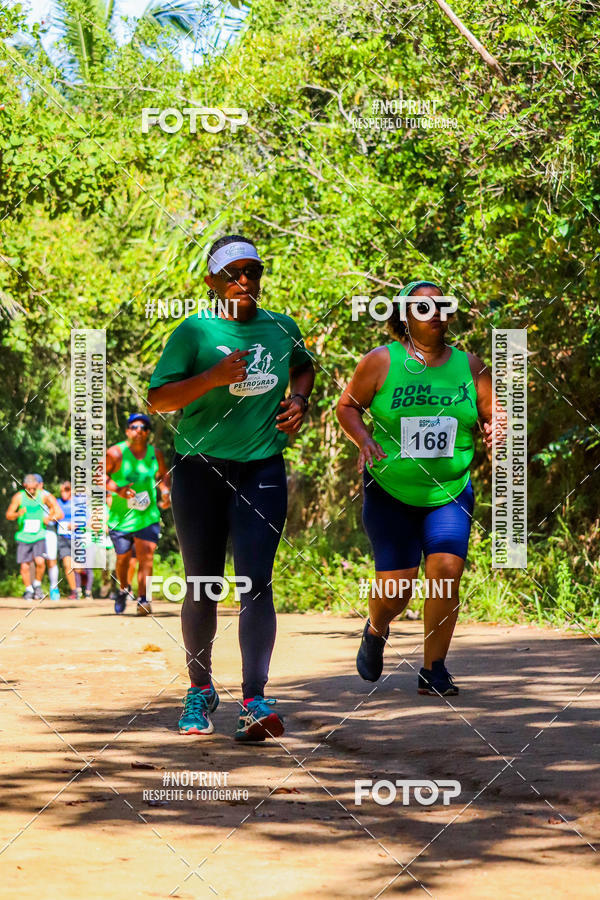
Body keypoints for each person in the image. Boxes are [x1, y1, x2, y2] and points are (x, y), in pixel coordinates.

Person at [147, 233, 314, 740]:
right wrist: (213, 377)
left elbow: (303, 368)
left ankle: (254, 700)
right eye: (232, 273)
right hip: (199, 470)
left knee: (256, 582)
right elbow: (158, 399)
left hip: (261, 470)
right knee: (202, 582)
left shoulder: (282, 328)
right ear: (212, 281)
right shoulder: (194, 331)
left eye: (252, 271)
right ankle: (199, 690)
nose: (244, 280)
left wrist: (299, 401)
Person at [336, 280, 498, 697]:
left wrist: (496, 429)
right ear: (405, 317)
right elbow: (347, 406)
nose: (436, 313)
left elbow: (492, 414)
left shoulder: (470, 366)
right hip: (390, 489)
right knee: (397, 587)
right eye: (424, 308)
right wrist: (363, 439)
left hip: (449, 491)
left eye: (441, 305)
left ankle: (434, 669)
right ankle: (377, 628)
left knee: (445, 573)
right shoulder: (380, 361)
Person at [105, 413, 170, 615]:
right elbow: (99, 476)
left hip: (147, 516)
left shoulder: (155, 454)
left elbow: (164, 475)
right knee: (123, 559)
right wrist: (118, 490)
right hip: (120, 518)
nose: (139, 431)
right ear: (127, 431)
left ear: (148, 432)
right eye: (134, 427)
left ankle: (144, 599)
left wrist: (165, 491)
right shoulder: (115, 453)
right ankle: (123, 589)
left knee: (146, 556)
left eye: (143, 427)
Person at [5, 474, 63, 600]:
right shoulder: (19, 497)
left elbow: (57, 511)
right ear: (24, 486)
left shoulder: (43, 496)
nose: (31, 491)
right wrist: (18, 514)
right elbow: (9, 515)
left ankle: (37, 585)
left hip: (39, 535)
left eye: (34, 489)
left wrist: (49, 517)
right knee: (24, 566)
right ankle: (28, 590)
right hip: (23, 536)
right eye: (29, 489)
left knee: (40, 562)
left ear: (37, 486)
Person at [55, 481, 78, 600]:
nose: (64, 492)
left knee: (79, 567)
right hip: (62, 537)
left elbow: (87, 519)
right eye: (62, 490)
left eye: (67, 489)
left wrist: (76, 524)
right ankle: (74, 591)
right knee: (67, 564)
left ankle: (82, 586)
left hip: (77, 537)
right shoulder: (57, 502)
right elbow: (51, 516)